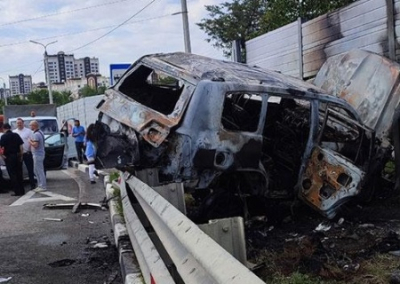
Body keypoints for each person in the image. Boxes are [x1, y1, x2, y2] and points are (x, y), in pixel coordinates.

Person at [0, 123, 25, 196]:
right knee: (19, 173)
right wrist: (21, 155)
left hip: (9, 157)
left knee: (12, 174)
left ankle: (17, 191)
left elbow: (1, 148)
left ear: (4, 128)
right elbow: (21, 146)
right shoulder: (16, 135)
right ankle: (22, 190)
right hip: (17, 156)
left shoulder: (3, 137)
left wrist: (2, 156)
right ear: (10, 128)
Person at [14, 118, 36, 190]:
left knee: (30, 169)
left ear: (23, 123)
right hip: (18, 154)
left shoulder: (28, 131)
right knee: (19, 170)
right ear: (16, 124)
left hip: (27, 153)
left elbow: (32, 141)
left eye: (20, 123)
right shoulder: (14, 132)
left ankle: (32, 184)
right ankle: (21, 185)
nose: (19, 124)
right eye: (17, 123)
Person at [28, 120, 47, 192]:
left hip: (37, 154)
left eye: (30, 125)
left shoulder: (36, 134)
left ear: (34, 126)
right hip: (40, 153)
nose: (30, 127)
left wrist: (30, 141)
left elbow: (36, 145)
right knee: (37, 170)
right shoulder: (40, 132)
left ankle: (42, 186)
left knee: (39, 170)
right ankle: (40, 185)